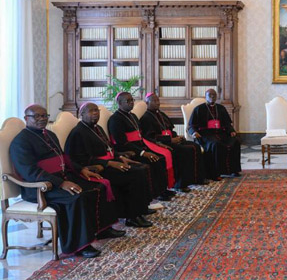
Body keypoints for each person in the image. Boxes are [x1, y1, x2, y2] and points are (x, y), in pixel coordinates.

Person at [10, 105, 121, 258]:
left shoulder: (49, 134)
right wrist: (61, 183)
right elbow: (30, 172)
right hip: (40, 187)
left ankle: (103, 229)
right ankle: (80, 245)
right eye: (36, 116)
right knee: (77, 196)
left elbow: (64, 158)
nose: (42, 119)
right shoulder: (20, 141)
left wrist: (81, 169)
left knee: (98, 186)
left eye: (44, 115)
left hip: (61, 177)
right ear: (26, 118)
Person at [65, 103, 153, 228]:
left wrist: (120, 157)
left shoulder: (98, 128)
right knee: (135, 175)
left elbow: (109, 149)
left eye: (97, 110)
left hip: (109, 164)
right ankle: (133, 217)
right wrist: (108, 163)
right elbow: (80, 159)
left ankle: (140, 209)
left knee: (141, 168)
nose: (95, 113)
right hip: (97, 168)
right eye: (91, 111)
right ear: (81, 114)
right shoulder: (78, 133)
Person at [107, 92, 174, 201]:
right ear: (119, 103)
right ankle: (154, 193)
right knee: (152, 161)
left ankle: (162, 190)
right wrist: (142, 152)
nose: (131, 103)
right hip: (128, 151)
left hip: (140, 146)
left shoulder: (132, 116)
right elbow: (121, 143)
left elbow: (141, 135)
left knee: (160, 158)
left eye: (132, 100)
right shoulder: (115, 119)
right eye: (128, 101)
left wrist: (154, 146)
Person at [140, 92, 206, 191]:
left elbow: (170, 130)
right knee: (184, 151)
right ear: (147, 102)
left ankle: (196, 178)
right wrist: (170, 140)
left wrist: (177, 136)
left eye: (158, 100)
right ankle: (179, 184)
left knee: (195, 146)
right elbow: (151, 137)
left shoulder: (161, 114)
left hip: (171, 140)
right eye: (154, 101)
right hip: (161, 143)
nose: (157, 103)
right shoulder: (145, 118)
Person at [188, 88, 242, 180]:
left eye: (214, 95)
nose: (212, 97)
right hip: (205, 135)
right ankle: (215, 173)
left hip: (221, 134)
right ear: (205, 97)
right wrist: (194, 132)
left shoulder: (221, 108)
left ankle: (233, 170)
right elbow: (191, 126)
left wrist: (232, 131)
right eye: (210, 95)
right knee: (215, 144)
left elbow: (227, 124)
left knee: (235, 141)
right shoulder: (199, 109)